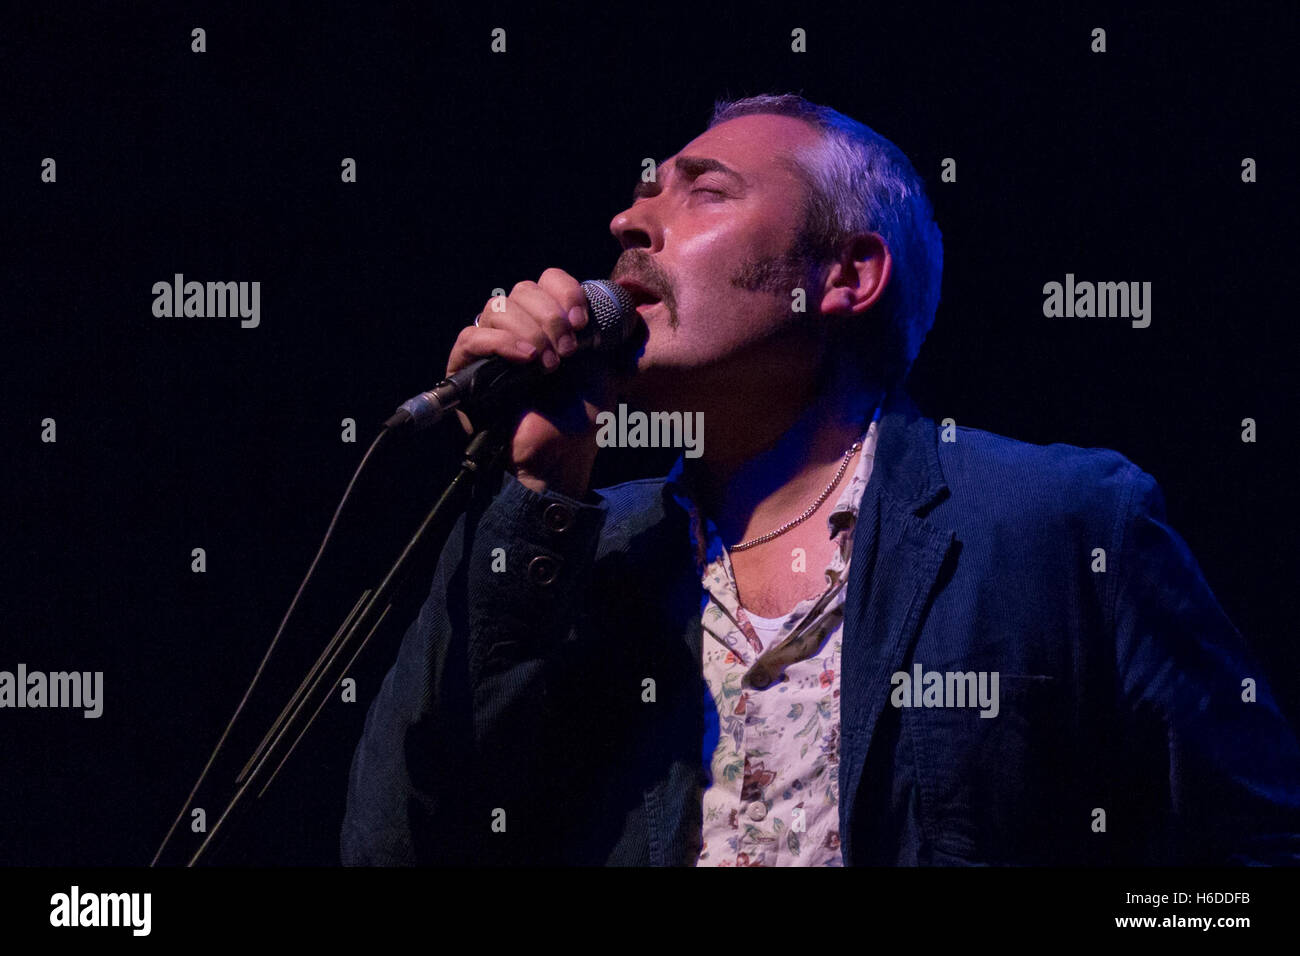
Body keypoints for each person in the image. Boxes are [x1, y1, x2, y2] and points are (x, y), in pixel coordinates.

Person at [340, 93, 1300, 866]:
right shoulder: (593, 556)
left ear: (846, 275)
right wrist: (537, 495)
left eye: (703, 191)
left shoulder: (1061, 523)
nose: (628, 219)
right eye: (644, 196)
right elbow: (400, 843)